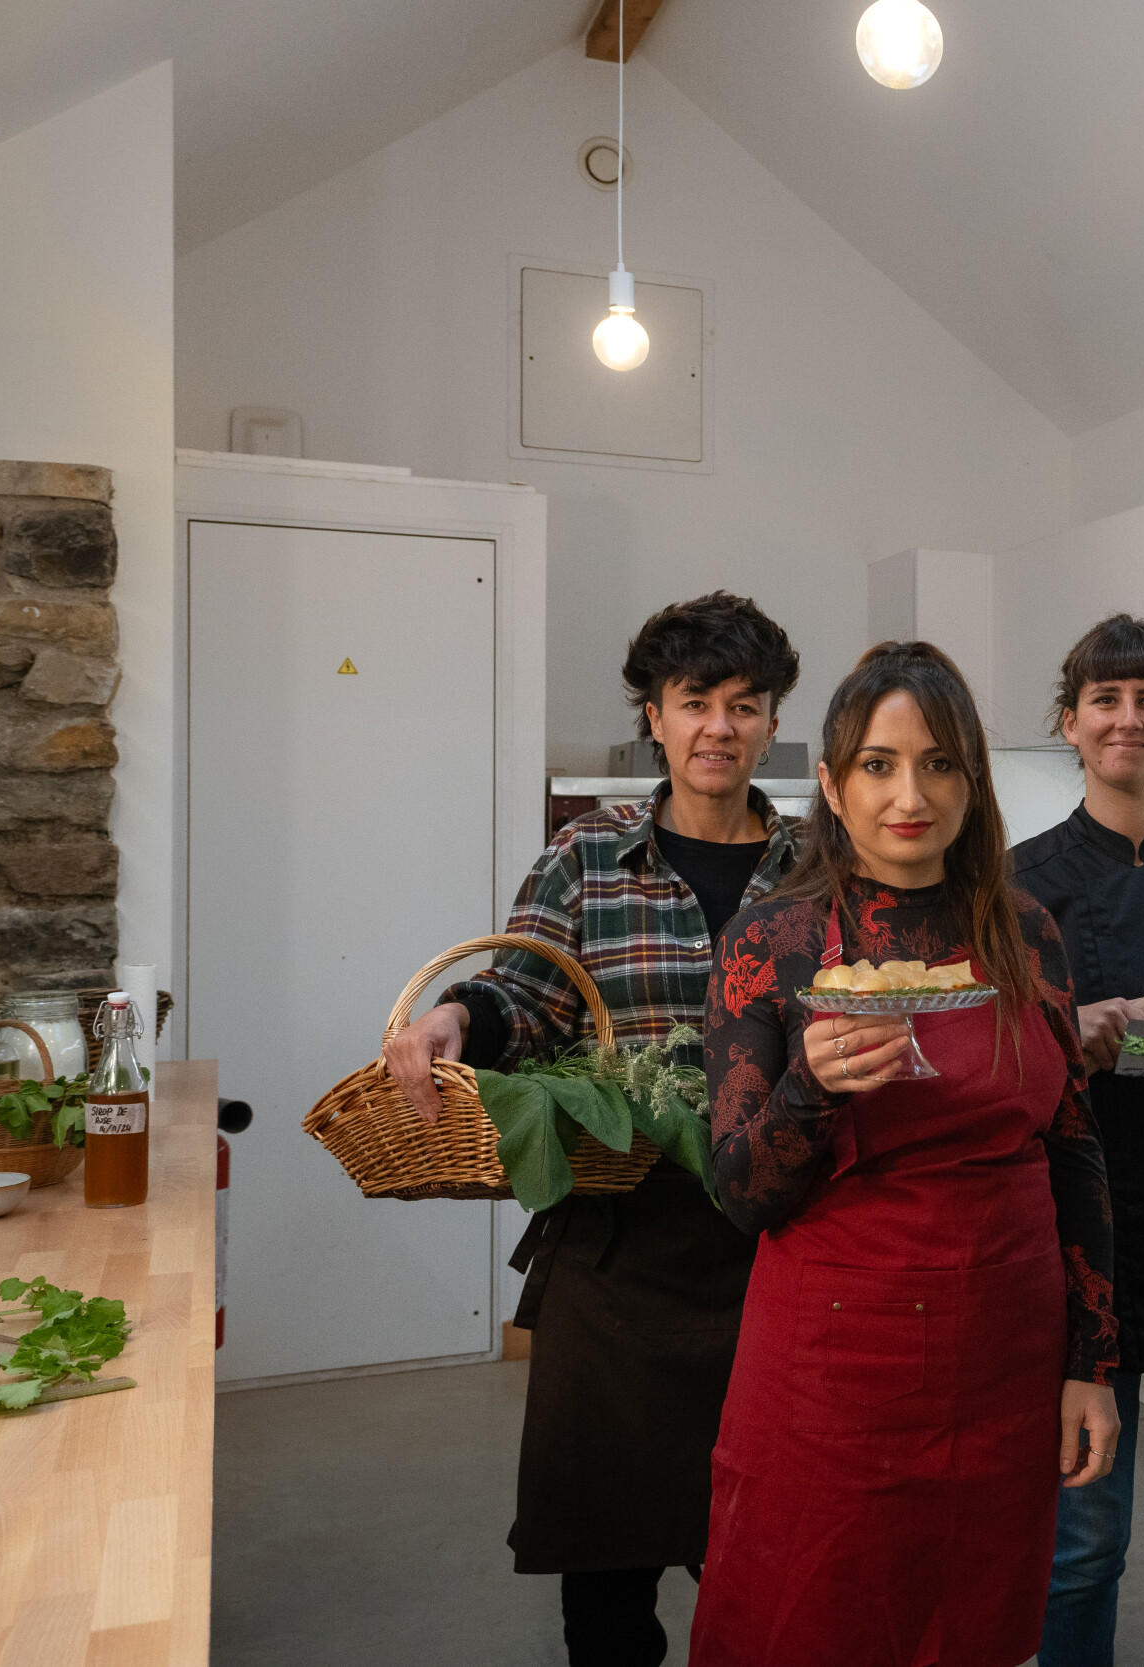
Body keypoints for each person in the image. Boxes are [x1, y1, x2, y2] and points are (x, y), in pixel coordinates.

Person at [381, 591, 801, 1666]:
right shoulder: (586, 856)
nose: (719, 726)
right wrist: (454, 1016)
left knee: (769, 1559)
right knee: (606, 1580)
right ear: (651, 717)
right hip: (618, 1249)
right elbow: (522, 997)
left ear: (769, 721)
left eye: (744, 705)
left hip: (783, 1248)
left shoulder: (815, 865)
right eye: (694, 701)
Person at [693, 640, 1121, 1667]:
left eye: (938, 763)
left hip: (1002, 1348)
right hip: (835, 1361)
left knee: (968, 1617)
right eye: (878, 766)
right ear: (833, 786)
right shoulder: (773, 941)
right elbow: (739, 1191)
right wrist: (812, 1084)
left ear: (971, 779)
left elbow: (1073, 1149)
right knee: (815, 1608)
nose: (909, 794)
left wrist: (1092, 1363)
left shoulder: (1024, 930)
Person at [1011, 615, 1144, 1667]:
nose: (1127, 719)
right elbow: (987, 1063)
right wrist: (1089, 1023)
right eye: (1106, 699)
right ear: (1070, 721)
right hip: (1071, 1242)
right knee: (1081, 1543)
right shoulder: (1015, 881)